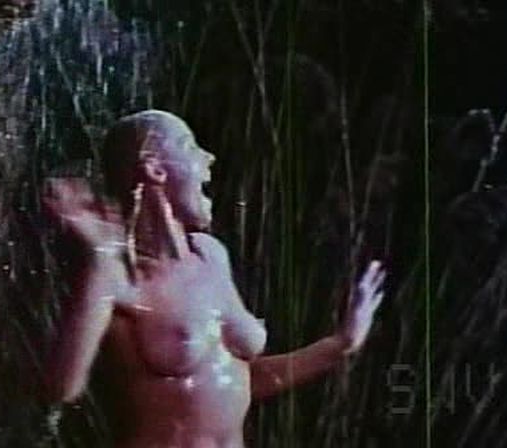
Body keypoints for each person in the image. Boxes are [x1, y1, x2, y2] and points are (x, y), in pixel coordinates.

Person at [42, 110, 385, 447]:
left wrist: (340, 344)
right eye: (190, 146)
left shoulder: (210, 256)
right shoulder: (118, 275)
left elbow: (234, 382)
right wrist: (100, 260)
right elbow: (61, 389)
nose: (209, 158)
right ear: (155, 168)